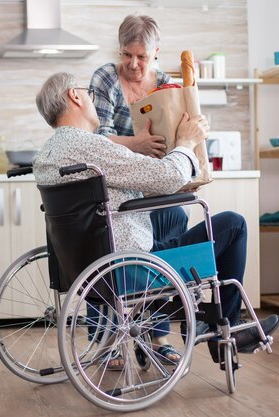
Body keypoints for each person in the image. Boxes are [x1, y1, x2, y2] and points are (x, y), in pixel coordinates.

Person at [33, 72, 279, 365]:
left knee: (170, 216)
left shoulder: (46, 155)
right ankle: (222, 329)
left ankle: (204, 325)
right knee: (233, 224)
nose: (91, 100)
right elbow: (166, 176)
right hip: (130, 269)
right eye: (87, 94)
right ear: (75, 96)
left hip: (86, 269)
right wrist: (187, 143)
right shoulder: (91, 146)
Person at [89, 14, 190, 268]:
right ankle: (126, 293)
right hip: (116, 190)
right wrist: (137, 144)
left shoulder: (166, 85)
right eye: (126, 54)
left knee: (176, 215)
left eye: (141, 57)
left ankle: (163, 297)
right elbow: (97, 142)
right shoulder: (106, 79)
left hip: (154, 185)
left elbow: (177, 140)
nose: (133, 64)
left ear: (156, 52)